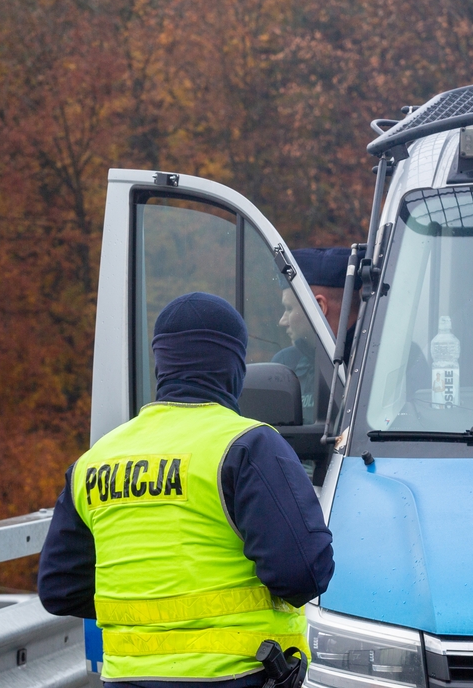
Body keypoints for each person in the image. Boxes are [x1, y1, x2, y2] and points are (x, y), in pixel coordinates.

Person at [38, 292, 334, 688]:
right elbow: (304, 574)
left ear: (161, 363)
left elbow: (59, 589)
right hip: (237, 675)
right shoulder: (248, 446)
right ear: (235, 367)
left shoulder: (94, 461)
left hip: (126, 679)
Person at [273, 248, 359, 421]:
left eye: (289, 308)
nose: (282, 321)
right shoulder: (286, 366)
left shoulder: (387, 364)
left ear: (319, 308)